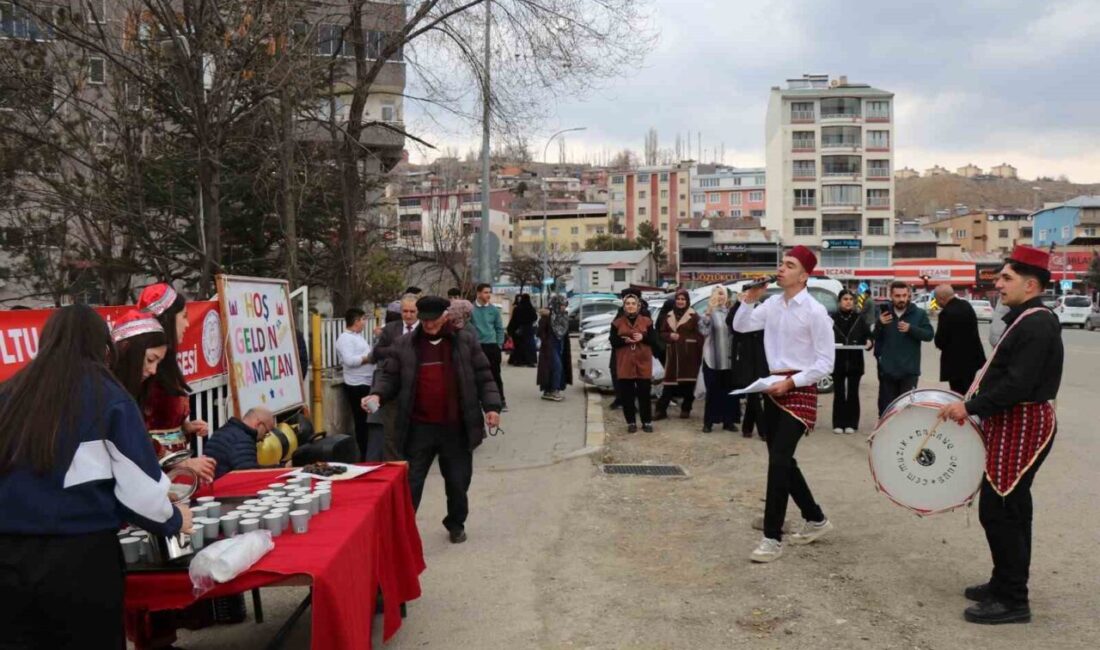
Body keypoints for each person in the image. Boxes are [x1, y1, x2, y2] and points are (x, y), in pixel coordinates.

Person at [0, 305, 190, 649]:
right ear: (103, 347)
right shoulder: (108, 395)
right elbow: (142, 492)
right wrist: (174, 518)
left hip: (9, 558)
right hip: (79, 559)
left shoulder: (10, 393)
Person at [937, 246, 1063, 625]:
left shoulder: (1037, 324)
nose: (999, 284)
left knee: (1001, 510)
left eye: (1007, 278)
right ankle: (1004, 582)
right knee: (1011, 509)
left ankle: (1013, 600)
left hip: (1022, 422)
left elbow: (1017, 384)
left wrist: (970, 407)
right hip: (1011, 421)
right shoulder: (1024, 318)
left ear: (1031, 285)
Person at [364, 296, 502, 544]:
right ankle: (403, 531)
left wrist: (492, 407)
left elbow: (484, 375)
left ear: (445, 316)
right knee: (412, 482)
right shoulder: (404, 345)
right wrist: (377, 394)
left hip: (456, 427)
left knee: (458, 482)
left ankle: (456, 523)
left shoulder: (464, 340)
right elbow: (389, 376)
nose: (428, 325)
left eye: (433, 320)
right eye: (424, 320)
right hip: (419, 427)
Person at [733, 246, 835, 563]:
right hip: (772, 385)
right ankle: (815, 518)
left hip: (799, 389)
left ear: (804, 276)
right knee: (783, 461)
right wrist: (748, 300)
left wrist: (791, 383)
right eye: (781, 263)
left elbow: (825, 363)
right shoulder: (773, 304)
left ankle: (772, 537)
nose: (781, 269)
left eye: (789, 265)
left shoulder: (815, 311)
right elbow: (741, 326)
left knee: (778, 461)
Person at [136, 283, 214, 476]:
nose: (187, 324)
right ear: (169, 320)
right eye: (184, 317)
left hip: (173, 469)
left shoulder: (167, 364)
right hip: (155, 471)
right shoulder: (144, 370)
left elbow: (159, 420)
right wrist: (182, 462)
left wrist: (184, 427)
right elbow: (137, 432)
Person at [874, 280, 935, 416]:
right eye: (897, 296)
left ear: (909, 296)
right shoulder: (884, 313)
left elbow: (929, 335)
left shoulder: (919, 313)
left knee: (906, 410)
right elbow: (874, 337)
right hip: (888, 371)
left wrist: (911, 329)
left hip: (909, 372)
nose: (901, 299)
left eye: (904, 295)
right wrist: (879, 324)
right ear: (891, 296)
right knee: (886, 409)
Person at [609, 294, 657, 433]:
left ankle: (646, 422)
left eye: (633, 303)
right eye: (628, 303)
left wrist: (643, 337)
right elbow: (613, 341)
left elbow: (653, 339)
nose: (630, 306)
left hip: (643, 362)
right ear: (624, 306)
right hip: (625, 362)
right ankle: (631, 422)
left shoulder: (647, 321)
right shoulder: (617, 323)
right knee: (627, 395)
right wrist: (624, 341)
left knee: (644, 393)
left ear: (638, 306)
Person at [336, 308, 379, 460]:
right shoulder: (345, 339)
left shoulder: (357, 337)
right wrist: (369, 358)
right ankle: (364, 454)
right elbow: (349, 361)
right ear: (356, 321)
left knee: (369, 420)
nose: (365, 322)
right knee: (362, 421)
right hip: (357, 385)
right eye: (363, 319)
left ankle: (370, 451)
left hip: (367, 382)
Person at [655, 289, 702, 420]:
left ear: (687, 301)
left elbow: (700, 334)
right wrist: (670, 335)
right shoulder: (668, 315)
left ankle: (686, 408)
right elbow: (661, 332)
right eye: (678, 299)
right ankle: (661, 410)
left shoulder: (694, 316)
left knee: (689, 383)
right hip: (673, 354)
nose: (680, 302)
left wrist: (687, 341)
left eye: (683, 299)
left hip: (689, 354)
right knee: (669, 383)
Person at [831, 289, 873, 434]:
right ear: (839, 302)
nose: (848, 302)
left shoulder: (859, 318)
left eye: (850, 299)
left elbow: (868, 335)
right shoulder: (832, 319)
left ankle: (852, 424)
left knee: (853, 393)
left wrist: (869, 341)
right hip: (837, 362)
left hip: (855, 362)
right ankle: (838, 423)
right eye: (845, 299)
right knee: (839, 393)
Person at [933, 284, 987, 395]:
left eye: (936, 299)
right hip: (973, 359)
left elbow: (940, 341)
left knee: (958, 394)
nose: (936, 302)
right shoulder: (966, 305)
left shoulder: (945, 313)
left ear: (942, 298)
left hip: (955, 364)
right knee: (970, 391)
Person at [698, 285, 739, 433]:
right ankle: (708, 422)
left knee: (729, 392)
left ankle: (728, 421)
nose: (721, 297)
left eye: (723, 294)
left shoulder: (731, 313)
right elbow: (703, 331)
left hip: (729, 359)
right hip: (713, 359)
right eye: (718, 294)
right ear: (713, 296)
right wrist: (708, 314)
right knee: (713, 392)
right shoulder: (708, 313)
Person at [728, 298, 769, 440]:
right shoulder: (739, 308)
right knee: (753, 393)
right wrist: (740, 303)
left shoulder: (763, 307)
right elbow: (731, 323)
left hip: (761, 357)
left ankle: (747, 427)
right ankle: (763, 430)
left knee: (755, 393)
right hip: (745, 358)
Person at [205, 407, 277, 479]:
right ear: (258, 424)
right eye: (266, 432)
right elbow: (249, 475)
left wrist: (278, 467)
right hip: (226, 485)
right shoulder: (243, 440)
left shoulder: (222, 431)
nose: (263, 439)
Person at [471, 283, 507, 411]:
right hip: (477, 347)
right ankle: (479, 400)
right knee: (476, 375)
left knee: (495, 374)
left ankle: (500, 400)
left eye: (489, 292)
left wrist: (499, 344)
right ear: (478, 293)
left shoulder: (494, 310)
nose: (488, 295)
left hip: (492, 347)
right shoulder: (471, 310)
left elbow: (499, 329)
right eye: (485, 292)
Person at [537, 294, 572, 401]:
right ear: (556, 304)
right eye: (562, 304)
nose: (564, 307)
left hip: (560, 346)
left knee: (557, 368)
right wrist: (546, 341)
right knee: (557, 367)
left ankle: (549, 390)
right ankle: (553, 390)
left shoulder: (563, 316)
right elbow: (540, 331)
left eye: (565, 305)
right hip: (550, 347)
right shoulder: (547, 316)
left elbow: (565, 332)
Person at [506, 293, 538, 367]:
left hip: (519, 330)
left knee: (519, 346)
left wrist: (510, 329)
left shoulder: (517, 309)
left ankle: (519, 361)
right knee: (529, 345)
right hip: (529, 330)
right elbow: (535, 317)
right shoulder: (531, 308)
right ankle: (530, 361)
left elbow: (514, 320)